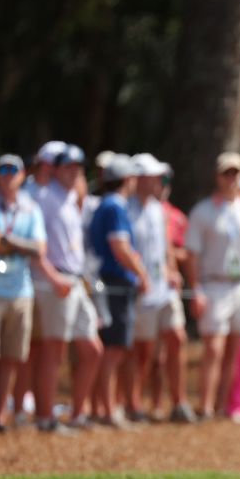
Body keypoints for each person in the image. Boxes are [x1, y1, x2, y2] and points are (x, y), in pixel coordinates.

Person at [183, 152, 240, 418]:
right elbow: (192, 255)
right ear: (218, 176)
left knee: (233, 350)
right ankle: (206, 405)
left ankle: (223, 404)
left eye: (235, 174)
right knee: (213, 349)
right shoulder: (203, 212)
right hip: (214, 285)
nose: (231, 179)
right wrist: (195, 288)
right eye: (226, 173)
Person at [29, 145, 104, 430]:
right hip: (55, 281)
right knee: (54, 349)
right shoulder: (43, 197)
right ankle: (46, 418)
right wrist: (51, 277)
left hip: (75, 279)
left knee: (92, 349)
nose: (74, 172)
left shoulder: (72, 196)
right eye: (68, 167)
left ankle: (76, 414)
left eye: (78, 167)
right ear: (54, 169)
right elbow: (37, 245)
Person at [126, 154, 193, 423]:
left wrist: (172, 271)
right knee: (142, 351)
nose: (160, 183)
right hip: (140, 290)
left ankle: (180, 401)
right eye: (155, 177)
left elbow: (165, 246)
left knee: (177, 337)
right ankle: (133, 402)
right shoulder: (126, 208)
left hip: (163, 288)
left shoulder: (158, 209)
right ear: (140, 179)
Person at [0, 155, 47, 433]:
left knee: (12, 357)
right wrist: (21, 245)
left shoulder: (31, 209)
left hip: (21, 291)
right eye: (3, 169)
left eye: (14, 170)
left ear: (22, 175)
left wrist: (6, 241)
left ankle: (0, 418)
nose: (8, 174)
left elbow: (40, 249)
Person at [88, 154, 149, 427]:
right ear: (127, 180)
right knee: (113, 349)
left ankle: (103, 407)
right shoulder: (115, 206)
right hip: (115, 282)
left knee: (112, 348)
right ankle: (106, 409)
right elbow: (120, 247)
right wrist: (142, 274)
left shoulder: (107, 204)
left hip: (109, 281)